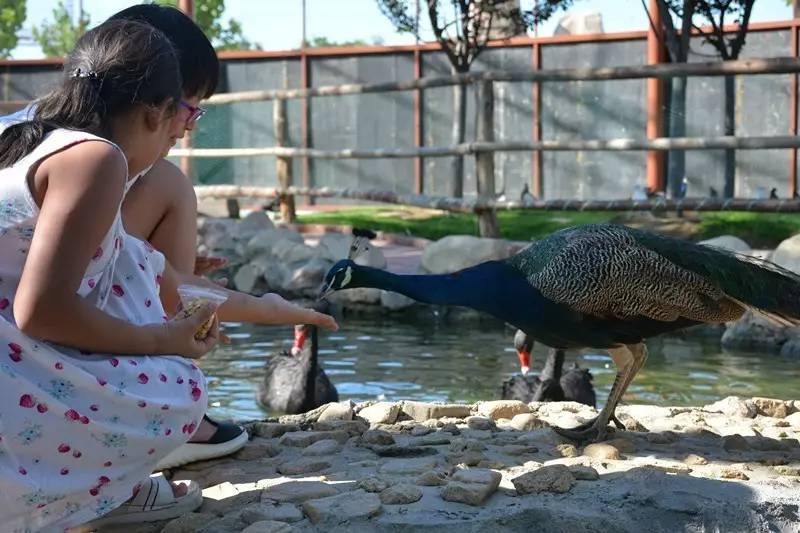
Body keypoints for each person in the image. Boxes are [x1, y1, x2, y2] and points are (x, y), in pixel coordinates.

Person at [0, 19, 215, 531]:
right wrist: (164, 338)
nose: (181, 133)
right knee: (182, 389)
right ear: (155, 112)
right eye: (183, 117)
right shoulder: (98, 158)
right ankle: (89, 497)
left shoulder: (22, 140)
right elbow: (41, 309)